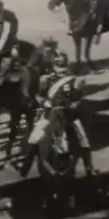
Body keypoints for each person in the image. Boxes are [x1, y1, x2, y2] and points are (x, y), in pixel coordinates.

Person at [20, 47, 97, 178]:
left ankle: (89, 168)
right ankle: (26, 165)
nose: (61, 67)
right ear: (54, 65)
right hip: (50, 112)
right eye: (58, 64)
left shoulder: (74, 80)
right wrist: (43, 102)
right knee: (34, 139)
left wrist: (74, 104)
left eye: (62, 64)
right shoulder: (45, 79)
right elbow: (40, 96)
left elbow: (77, 98)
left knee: (83, 140)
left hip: (69, 114)